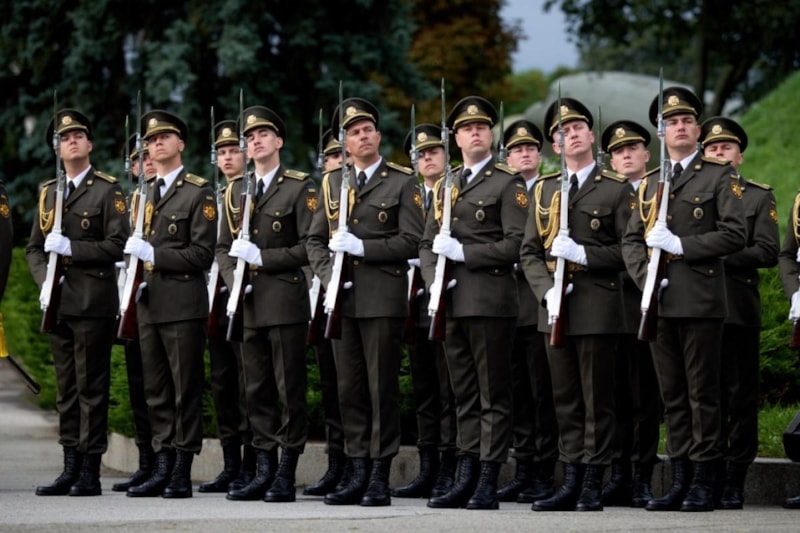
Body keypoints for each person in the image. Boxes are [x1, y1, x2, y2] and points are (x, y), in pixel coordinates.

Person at [621, 87, 747, 512]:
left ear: (697, 129)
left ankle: (704, 481)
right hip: (659, 301)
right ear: (661, 133)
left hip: (699, 299)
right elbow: (631, 241)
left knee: (702, 394)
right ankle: (679, 478)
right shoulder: (651, 182)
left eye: (686, 121)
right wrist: (646, 278)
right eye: (671, 122)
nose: (679, 127)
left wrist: (681, 246)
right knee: (672, 395)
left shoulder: (718, 175)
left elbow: (735, 234)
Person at [306, 97, 424, 507]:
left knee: (380, 388)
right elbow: (314, 240)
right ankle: (356, 470)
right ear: (344, 142)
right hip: (343, 300)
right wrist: (329, 276)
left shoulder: (402, 181)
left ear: (378, 135)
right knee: (349, 389)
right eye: (354, 132)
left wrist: (363, 247)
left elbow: (413, 240)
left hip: (382, 298)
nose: (363, 136)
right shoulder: (333, 184)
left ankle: (378, 474)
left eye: (368, 129)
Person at [520, 98, 633, 512]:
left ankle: (592, 482)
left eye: (578, 128)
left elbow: (629, 249)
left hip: (597, 308)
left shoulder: (616, 188)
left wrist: (585, 255)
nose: (571, 135)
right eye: (562, 132)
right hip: (553, 310)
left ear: (591, 135)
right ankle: (569, 479)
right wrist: (545, 291)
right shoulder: (545, 189)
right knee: (564, 400)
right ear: (555, 145)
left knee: (596, 400)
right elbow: (529, 251)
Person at [419, 96, 528, 510]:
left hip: (489, 300)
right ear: (456, 138)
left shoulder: (507, 182)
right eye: (467, 128)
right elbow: (427, 243)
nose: (475, 132)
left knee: (492, 394)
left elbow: (517, 245)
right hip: (451, 300)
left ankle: (487, 477)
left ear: (491, 135)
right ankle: (464, 474)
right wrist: (434, 280)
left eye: (481, 126)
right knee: (463, 394)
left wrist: (464, 254)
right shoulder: (448, 183)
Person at [26, 108, 129, 496]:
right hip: (59, 303)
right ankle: (69, 466)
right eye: (64, 138)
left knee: (91, 388)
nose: (71, 141)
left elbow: (118, 245)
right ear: (57, 149)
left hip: (92, 302)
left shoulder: (107, 190)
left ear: (89, 144)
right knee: (66, 390)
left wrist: (73, 248)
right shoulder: (48, 192)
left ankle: (89, 470)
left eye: (77, 136)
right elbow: (34, 249)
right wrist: (44, 281)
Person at [217, 106, 315, 503]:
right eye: (249, 137)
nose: (255, 141)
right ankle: (264, 468)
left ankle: (286, 471)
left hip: (285, 300)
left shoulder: (299, 187)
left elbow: (309, 246)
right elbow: (222, 248)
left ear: (279, 141)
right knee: (255, 389)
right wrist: (234, 280)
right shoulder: (236, 191)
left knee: (288, 387)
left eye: (263, 134)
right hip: (249, 304)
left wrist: (262, 258)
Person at [124, 110, 217, 499]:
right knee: (156, 392)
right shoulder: (142, 194)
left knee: (184, 390)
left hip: (182, 305)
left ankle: (181, 468)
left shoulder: (198, 192)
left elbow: (202, 254)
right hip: (149, 305)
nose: (156, 143)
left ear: (181, 144)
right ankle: (161, 464)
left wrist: (155, 255)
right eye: (150, 140)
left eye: (164, 137)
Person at [700, 116, 779, 509]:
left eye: (726, 147)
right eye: (712, 148)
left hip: (737, 307)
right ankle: (708, 476)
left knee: (739, 397)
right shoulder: (692, 196)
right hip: (697, 307)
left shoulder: (757, 197)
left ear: (739, 156)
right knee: (705, 395)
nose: (719, 152)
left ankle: (735, 479)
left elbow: (767, 250)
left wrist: (713, 252)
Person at [391, 124, 457, 500]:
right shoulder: (410, 195)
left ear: (447, 154)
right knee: (424, 388)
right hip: (414, 302)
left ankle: (450, 467)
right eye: (420, 154)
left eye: (434, 151)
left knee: (450, 388)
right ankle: (428, 466)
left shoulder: (457, 192)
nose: (427, 157)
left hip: (448, 298)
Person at [495, 120, 559, 505]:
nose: (524, 154)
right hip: (506, 303)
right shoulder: (502, 189)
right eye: (517, 149)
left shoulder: (551, 191)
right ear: (507, 157)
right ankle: (523, 469)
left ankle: (543, 471)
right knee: (517, 391)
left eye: (530, 148)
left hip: (540, 301)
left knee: (542, 392)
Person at [599, 120, 661, 507]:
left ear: (646, 154)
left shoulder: (660, 191)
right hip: (609, 306)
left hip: (647, 303)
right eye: (618, 152)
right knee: (615, 396)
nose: (625, 155)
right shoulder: (604, 194)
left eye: (632, 148)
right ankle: (618, 474)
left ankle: (642, 477)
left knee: (644, 397)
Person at [199, 119, 252, 494]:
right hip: (215, 298)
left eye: (234, 150)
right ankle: (231, 463)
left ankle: (252, 462)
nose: (228, 157)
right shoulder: (213, 195)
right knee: (222, 382)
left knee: (249, 382)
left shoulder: (251, 192)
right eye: (222, 152)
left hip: (244, 294)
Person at [303, 128, 347, 497]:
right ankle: (336, 463)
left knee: (354, 386)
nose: (337, 162)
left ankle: (358, 464)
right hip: (323, 296)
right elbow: (310, 245)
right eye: (332, 157)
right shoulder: (321, 196)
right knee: (331, 385)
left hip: (355, 295)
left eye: (341, 156)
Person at [112, 135, 157, 493]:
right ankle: (146, 461)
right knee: (139, 385)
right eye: (139, 159)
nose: (147, 163)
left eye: (151, 155)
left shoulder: (174, 195)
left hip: (163, 299)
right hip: (131, 301)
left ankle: (166, 461)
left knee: (162, 387)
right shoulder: (127, 204)